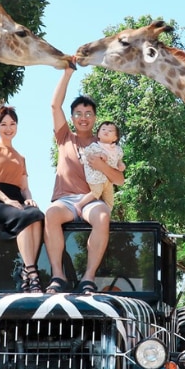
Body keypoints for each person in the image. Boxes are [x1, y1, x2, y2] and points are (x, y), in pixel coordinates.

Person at [42, 66, 121, 295]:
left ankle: (88, 277)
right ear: (73, 116)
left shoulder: (104, 144)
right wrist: (67, 73)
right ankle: (58, 276)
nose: (83, 118)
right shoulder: (64, 136)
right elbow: (54, 105)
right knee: (50, 214)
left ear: (95, 118)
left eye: (88, 114)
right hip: (65, 200)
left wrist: (102, 165)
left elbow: (119, 179)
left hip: (91, 200)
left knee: (103, 215)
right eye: (78, 113)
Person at [0, 103, 51, 293]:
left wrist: (29, 199)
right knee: (24, 216)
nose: (8, 128)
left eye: (12, 124)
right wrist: (5, 199)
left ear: (17, 127)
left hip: (17, 201)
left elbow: (25, 188)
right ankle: (32, 272)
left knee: (36, 214)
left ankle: (27, 271)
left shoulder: (21, 157)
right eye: (3, 124)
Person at [78, 120, 125, 210]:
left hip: (109, 179)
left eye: (110, 131)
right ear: (98, 134)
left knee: (110, 199)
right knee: (96, 192)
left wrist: (121, 165)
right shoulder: (95, 146)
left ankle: (108, 215)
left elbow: (119, 160)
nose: (106, 131)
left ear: (115, 138)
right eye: (103, 129)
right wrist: (99, 154)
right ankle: (79, 205)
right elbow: (87, 155)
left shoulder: (117, 150)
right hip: (96, 176)